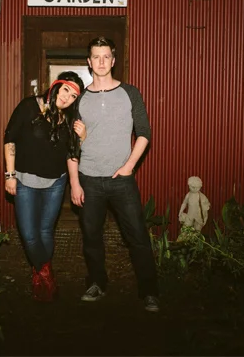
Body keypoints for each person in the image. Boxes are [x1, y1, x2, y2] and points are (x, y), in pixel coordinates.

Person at [68, 36, 160, 312]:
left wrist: (129, 166)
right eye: (96, 57)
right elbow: (72, 146)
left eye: (106, 56)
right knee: (91, 237)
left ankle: (150, 292)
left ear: (113, 60)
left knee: (138, 236)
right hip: (89, 178)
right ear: (89, 62)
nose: (101, 62)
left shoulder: (130, 93)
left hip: (122, 179)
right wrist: (74, 182)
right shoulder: (79, 99)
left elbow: (144, 133)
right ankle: (97, 283)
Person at [3, 71, 86, 301]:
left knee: (45, 231)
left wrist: (83, 137)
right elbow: (10, 138)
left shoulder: (69, 119)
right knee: (30, 236)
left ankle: (38, 275)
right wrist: (10, 175)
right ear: (56, 85)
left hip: (55, 183)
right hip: (25, 181)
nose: (67, 98)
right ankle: (46, 274)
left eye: (73, 96)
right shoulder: (29, 106)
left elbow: (73, 153)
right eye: (66, 90)